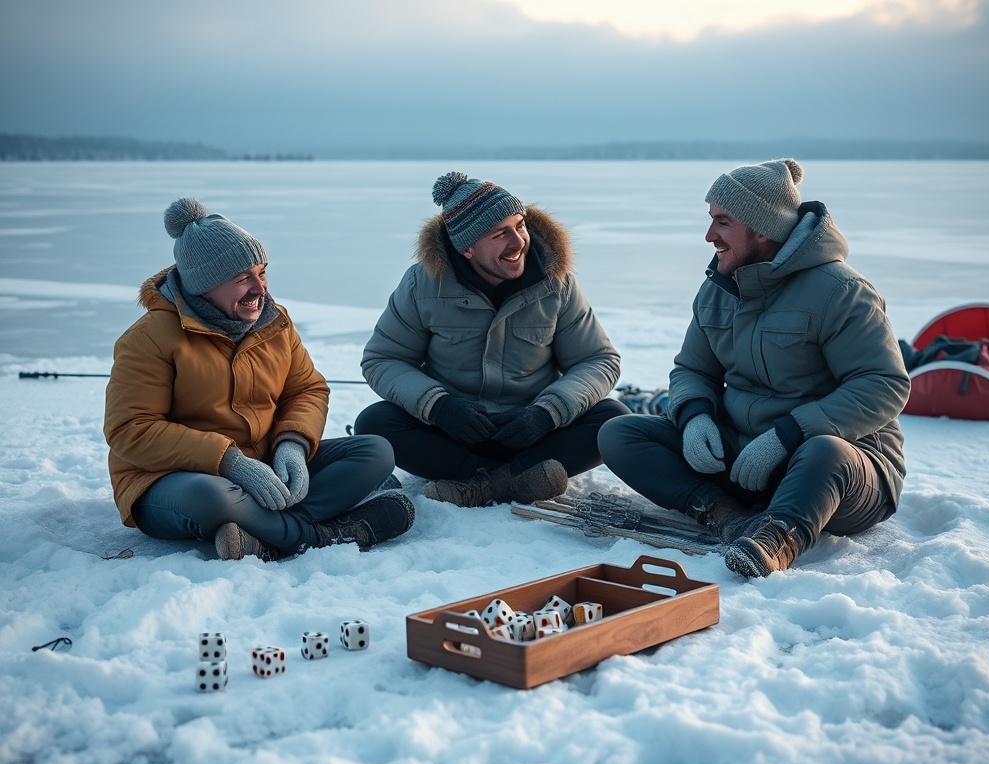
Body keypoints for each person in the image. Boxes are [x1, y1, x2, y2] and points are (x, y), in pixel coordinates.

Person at [598, 159, 910, 577]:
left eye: (722, 222)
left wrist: (788, 435)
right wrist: (695, 418)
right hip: (744, 460)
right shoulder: (717, 289)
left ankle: (778, 538)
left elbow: (883, 385)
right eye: (710, 220)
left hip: (839, 472)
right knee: (620, 432)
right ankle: (724, 514)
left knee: (825, 451)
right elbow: (692, 369)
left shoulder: (841, 291)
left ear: (761, 228)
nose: (709, 236)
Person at [104, 197, 415, 561]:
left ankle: (262, 536)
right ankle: (319, 535)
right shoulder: (150, 338)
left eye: (262, 272)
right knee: (212, 497)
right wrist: (229, 462)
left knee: (375, 451)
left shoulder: (274, 322)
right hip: (172, 479)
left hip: (266, 462)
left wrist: (293, 445)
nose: (260, 289)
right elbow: (131, 429)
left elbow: (306, 389)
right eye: (242, 279)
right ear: (204, 285)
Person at [355, 171, 629, 507]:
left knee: (613, 417)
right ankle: (514, 480)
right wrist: (440, 407)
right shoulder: (421, 284)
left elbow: (598, 360)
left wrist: (547, 413)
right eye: (501, 234)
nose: (518, 242)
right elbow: (383, 359)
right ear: (466, 247)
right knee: (374, 422)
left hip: (535, 433)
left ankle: (483, 486)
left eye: (520, 225)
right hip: (454, 434)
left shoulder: (557, 282)